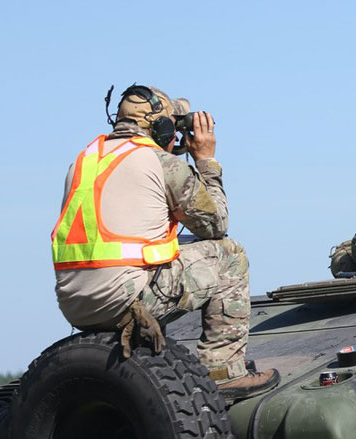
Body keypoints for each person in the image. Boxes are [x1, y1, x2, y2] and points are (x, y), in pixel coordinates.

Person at [50, 84, 279, 400]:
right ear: (162, 126)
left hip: (76, 305)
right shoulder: (160, 162)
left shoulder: (84, 160)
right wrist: (206, 162)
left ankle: (151, 364)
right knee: (230, 256)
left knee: (171, 247)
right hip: (126, 298)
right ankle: (223, 372)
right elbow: (215, 225)